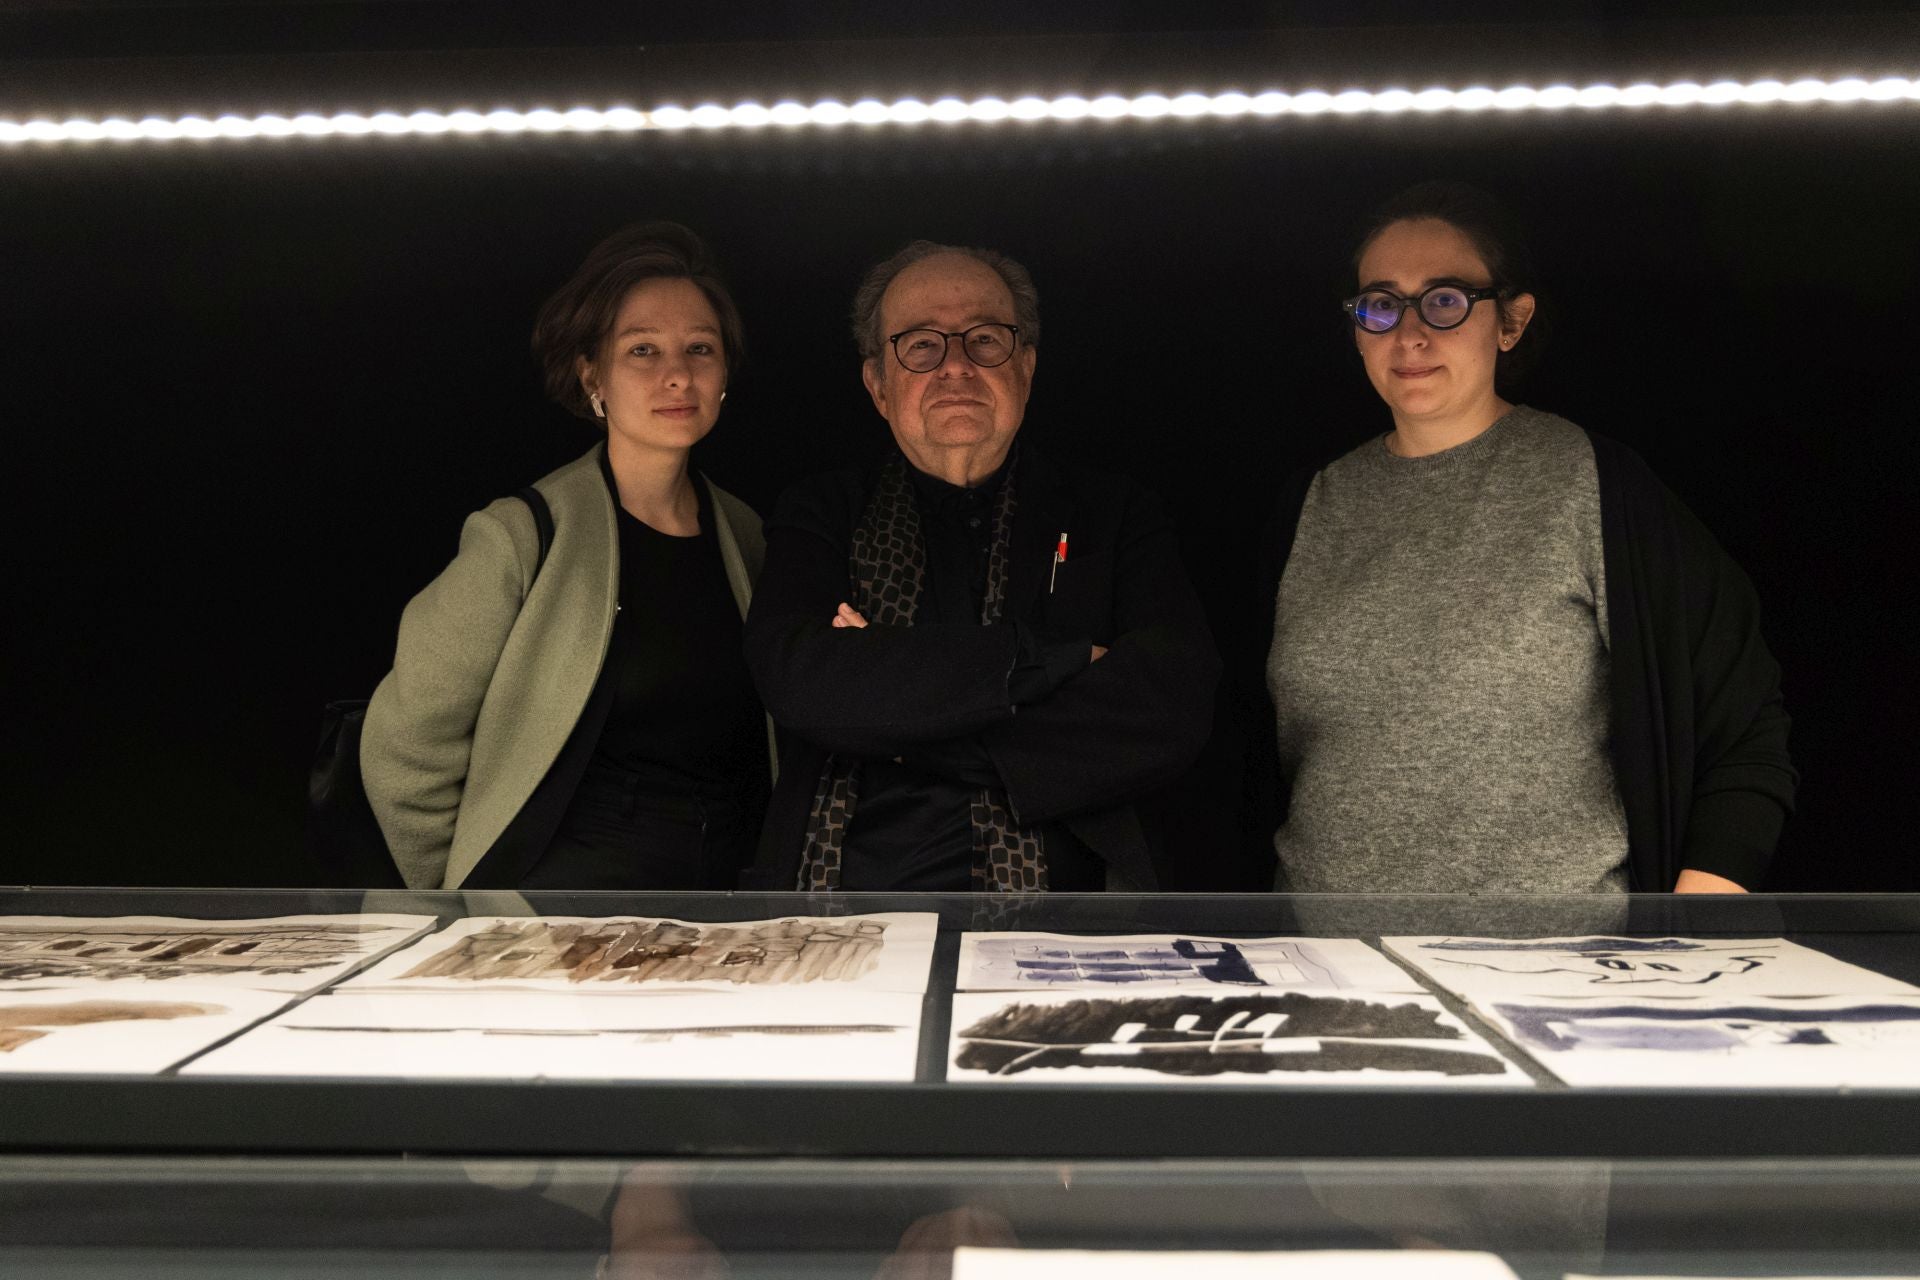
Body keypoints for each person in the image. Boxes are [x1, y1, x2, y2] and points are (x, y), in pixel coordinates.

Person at [1254, 181, 1795, 894]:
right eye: (1381, 305)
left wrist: (1688, 931)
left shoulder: (1594, 486)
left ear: (1511, 321)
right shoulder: (1314, 504)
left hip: (1564, 959)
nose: (1409, 335)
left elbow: (1745, 729)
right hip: (1322, 955)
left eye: (1445, 300)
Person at [743, 240, 1217, 892]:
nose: (956, 367)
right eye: (920, 345)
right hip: (846, 909)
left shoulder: (1114, 514)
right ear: (878, 385)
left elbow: (1169, 703)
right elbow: (802, 680)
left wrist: (895, 708)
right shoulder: (822, 512)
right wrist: (1052, 660)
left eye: (985, 340)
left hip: (1073, 919)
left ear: (1026, 367)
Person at [362, 221, 773, 891]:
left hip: (724, 909)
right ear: (592, 375)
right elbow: (405, 745)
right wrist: (463, 903)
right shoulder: (521, 538)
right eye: (642, 349)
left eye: (700, 348)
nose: (677, 375)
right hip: (559, 917)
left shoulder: (746, 536)